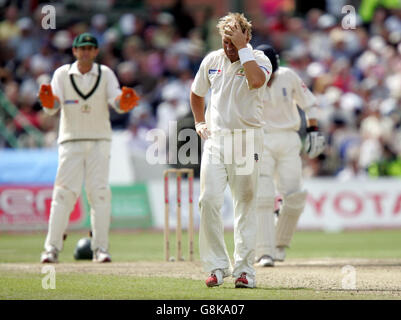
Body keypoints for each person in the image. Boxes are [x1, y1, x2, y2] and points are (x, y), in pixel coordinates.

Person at [38, 33, 140, 263]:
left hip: (99, 141)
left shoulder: (105, 74)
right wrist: (48, 103)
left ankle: (101, 249)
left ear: (95, 52)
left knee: (100, 194)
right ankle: (51, 249)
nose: (85, 52)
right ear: (74, 51)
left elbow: (117, 102)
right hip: (70, 142)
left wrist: (123, 104)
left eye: (89, 48)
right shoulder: (62, 74)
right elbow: (53, 107)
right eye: (81, 48)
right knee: (63, 195)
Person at [190, 13, 272, 288]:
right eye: (226, 41)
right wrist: (200, 122)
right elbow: (196, 93)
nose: (228, 47)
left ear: (247, 37)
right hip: (217, 140)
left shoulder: (259, 59)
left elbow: (256, 82)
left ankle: (245, 271)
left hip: (247, 140)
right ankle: (216, 266)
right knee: (208, 200)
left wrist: (243, 48)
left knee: (245, 204)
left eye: (234, 40)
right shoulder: (212, 60)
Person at [254, 44, 325, 267]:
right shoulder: (250, 79)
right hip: (261, 139)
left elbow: (310, 104)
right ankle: (264, 252)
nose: (270, 78)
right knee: (263, 195)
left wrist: (313, 130)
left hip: (288, 138)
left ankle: (280, 244)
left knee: (294, 196)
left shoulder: (288, 76)